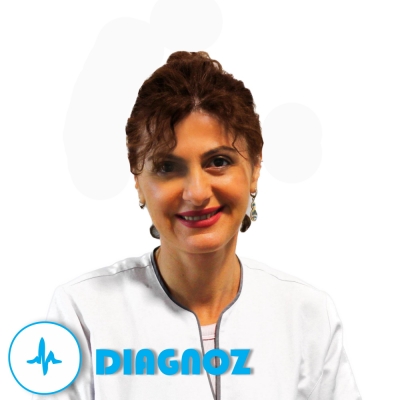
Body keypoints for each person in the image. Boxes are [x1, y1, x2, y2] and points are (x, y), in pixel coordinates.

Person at [34, 51, 362, 399]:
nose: (197, 192)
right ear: (138, 181)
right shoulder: (83, 315)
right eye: (167, 167)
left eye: (218, 161)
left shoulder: (307, 316)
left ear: (255, 168)